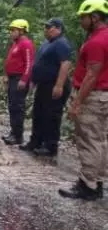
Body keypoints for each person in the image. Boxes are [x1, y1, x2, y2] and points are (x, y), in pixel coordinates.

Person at [59, 0, 108, 200]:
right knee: (100, 140)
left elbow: (92, 75)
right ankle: (96, 181)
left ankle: (87, 185)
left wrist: (77, 103)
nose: (81, 21)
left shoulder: (97, 41)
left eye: (83, 17)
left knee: (88, 140)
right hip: (102, 96)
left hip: (93, 97)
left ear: (94, 17)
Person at [21, 18, 73, 156]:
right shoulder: (46, 43)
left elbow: (65, 64)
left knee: (51, 116)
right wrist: (33, 80)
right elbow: (39, 63)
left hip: (54, 84)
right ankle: (35, 141)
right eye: (45, 27)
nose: (46, 29)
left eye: (49, 27)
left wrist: (59, 85)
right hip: (43, 84)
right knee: (38, 113)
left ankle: (50, 146)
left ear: (58, 28)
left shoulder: (61, 43)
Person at [2, 19, 35, 146]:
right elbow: (9, 61)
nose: (11, 33)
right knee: (12, 106)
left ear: (22, 31)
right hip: (12, 78)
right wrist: (5, 76)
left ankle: (18, 135)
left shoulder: (26, 44)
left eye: (14, 30)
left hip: (19, 79)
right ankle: (13, 132)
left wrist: (24, 79)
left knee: (18, 107)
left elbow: (29, 63)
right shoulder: (15, 44)